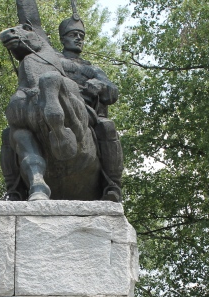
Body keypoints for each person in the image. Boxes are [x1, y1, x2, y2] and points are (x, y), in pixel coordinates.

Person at [58, 13, 124, 202]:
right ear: (62, 39)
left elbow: (112, 91)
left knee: (108, 127)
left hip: (88, 112)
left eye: (81, 35)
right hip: (57, 108)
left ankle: (112, 185)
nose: (79, 38)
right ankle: (15, 188)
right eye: (73, 35)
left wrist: (100, 86)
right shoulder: (52, 62)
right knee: (13, 132)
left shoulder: (93, 69)